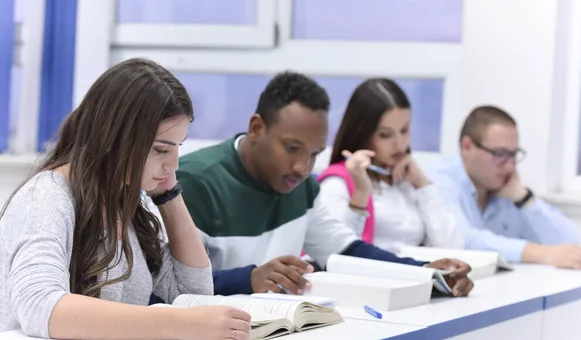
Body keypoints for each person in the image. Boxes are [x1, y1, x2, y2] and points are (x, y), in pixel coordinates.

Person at [0, 58, 251, 340]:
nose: (174, 163)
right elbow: (42, 308)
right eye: (161, 149)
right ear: (116, 138)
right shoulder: (46, 198)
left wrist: (168, 194)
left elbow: (191, 291)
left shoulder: (126, 203)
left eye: (177, 148)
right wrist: (179, 324)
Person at [177, 71, 474, 297]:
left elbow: (345, 251)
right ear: (257, 128)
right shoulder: (194, 183)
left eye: (314, 154)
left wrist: (424, 272)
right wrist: (249, 279)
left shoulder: (301, 186)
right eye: (292, 148)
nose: (303, 167)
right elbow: (163, 287)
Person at [428, 105, 581, 269]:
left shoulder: (506, 188)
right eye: (499, 154)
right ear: (467, 146)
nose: (509, 167)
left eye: (513, 155)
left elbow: (570, 243)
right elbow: (462, 240)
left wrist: (524, 199)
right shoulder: (439, 179)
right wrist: (542, 254)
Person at [316, 78, 464, 254]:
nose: (400, 144)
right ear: (362, 133)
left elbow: (452, 248)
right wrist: (361, 194)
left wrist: (423, 184)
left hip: (417, 276)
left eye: (404, 130)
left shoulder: (407, 180)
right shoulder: (337, 184)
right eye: (386, 135)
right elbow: (334, 254)